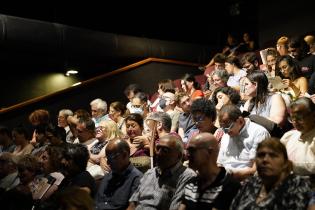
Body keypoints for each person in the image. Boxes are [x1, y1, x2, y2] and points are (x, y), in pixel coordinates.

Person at [231, 138, 312, 209]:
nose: (265, 160)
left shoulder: (297, 185)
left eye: (273, 155)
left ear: (285, 163)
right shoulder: (251, 183)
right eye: (261, 155)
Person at [127, 134, 196, 210]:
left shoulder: (187, 177)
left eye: (165, 150)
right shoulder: (150, 173)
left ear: (179, 156)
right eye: (158, 148)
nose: (159, 153)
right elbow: (133, 203)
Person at [179, 133, 240, 210]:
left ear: (209, 152)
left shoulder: (229, 186)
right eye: (187, 150)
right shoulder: (191, 182)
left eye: (192, 150)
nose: (187, 155)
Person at [217, 104, 270, 181]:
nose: (226, 131)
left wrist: (230, 175)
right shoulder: (226, 135)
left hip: (245, 181)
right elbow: (220, 163)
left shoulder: (259, 133)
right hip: (225, 179)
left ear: (240, 121)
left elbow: (255, 170)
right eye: (223, 128)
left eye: (227, 127)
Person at [95, 139, 143, 210]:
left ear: (125, 155)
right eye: (107, 158)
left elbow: (132, 207)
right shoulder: (108, 176)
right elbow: (97, 203)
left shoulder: (137, 179)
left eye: (111, 158)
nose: (108, 163)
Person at [281, 97, 315, 176]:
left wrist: (290, 165)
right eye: (292, 118)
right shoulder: (288, 136)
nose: (295, 122)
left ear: (313, 115)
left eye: (299, 118)